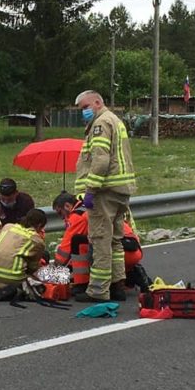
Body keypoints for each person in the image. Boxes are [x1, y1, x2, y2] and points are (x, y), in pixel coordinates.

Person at [73, 90, 136, 302]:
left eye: (85, 107)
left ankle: (99, 291)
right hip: (121, 190)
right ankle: (118, 285)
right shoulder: (116, 121)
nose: (83, 112)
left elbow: (100, 160)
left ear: (97, 102)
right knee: (116, 241)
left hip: (104, 192)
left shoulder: (100, 124)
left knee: (100, 240)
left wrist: (89, 191)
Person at [52, 191, 148, 299]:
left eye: (60, 213)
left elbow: (65, 249)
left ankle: (82, 284)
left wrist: (53, 273)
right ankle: (130, 274)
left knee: (78, 242)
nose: (61, 218)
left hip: (120, 251)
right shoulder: (93, 207)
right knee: (91, 242)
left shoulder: (77, 216)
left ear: (67, 206)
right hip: (133, 249)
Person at [0, 209, 47, 301]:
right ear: (40, 225)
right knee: (42, 277)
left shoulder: (8, 227)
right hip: (13, 277)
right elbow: (33, 267)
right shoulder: (36, 240)